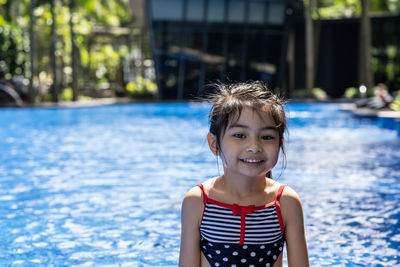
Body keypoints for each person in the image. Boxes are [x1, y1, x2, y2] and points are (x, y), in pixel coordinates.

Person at [179, 81, 309, 267]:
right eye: (240, 135)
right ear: (214, 144)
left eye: (267, 137)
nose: (254, 147)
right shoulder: (198, 201)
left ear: (280, 143)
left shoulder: (285, 202)